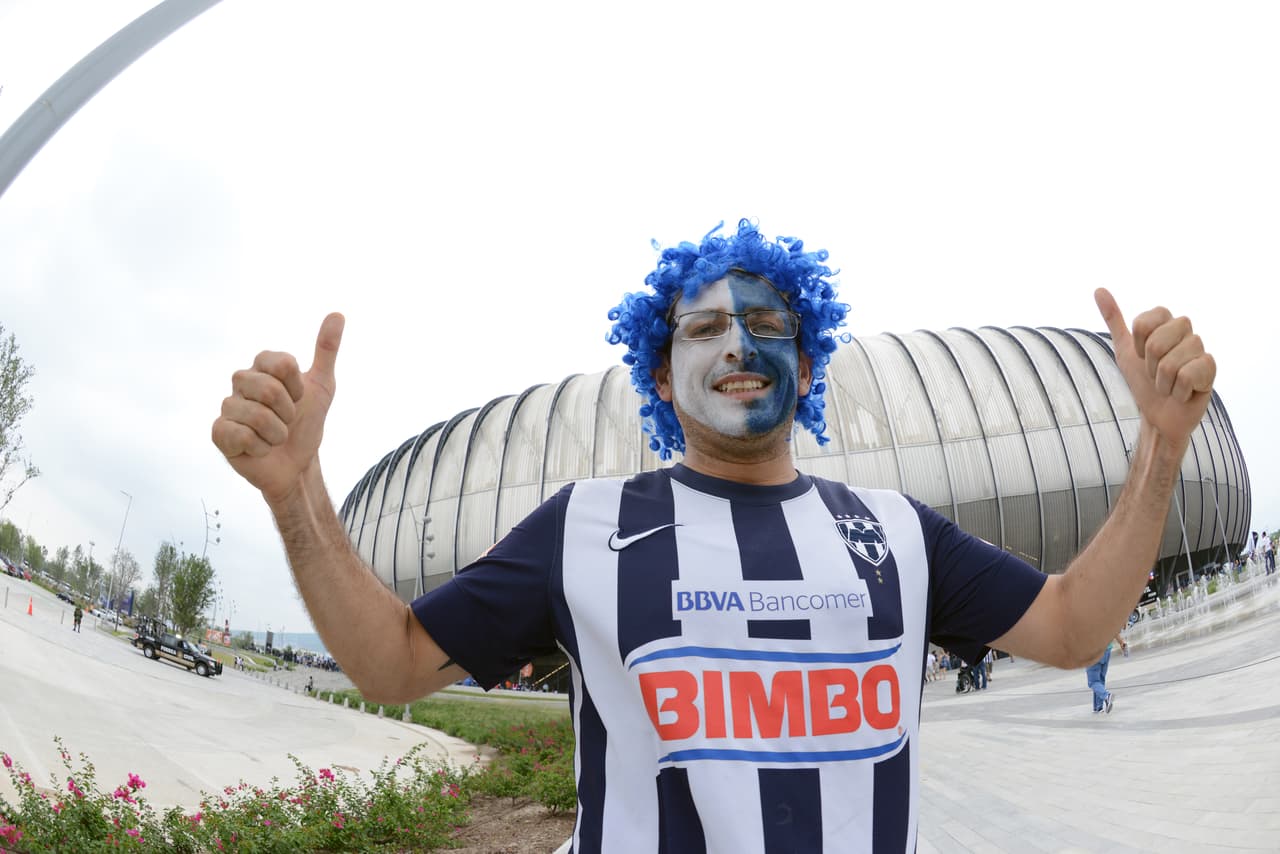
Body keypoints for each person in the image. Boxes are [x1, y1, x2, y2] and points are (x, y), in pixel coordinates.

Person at [212, 219, 1216, 852]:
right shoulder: (583, 528)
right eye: (701, 330)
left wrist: (1161, 447)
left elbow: (1073, 627)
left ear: (806, 363)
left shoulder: (893, 535)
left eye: (768, 325)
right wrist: (298, 496)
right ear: (656, 374)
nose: (738, 343)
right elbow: (389, 665)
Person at [1086, 632, 1127, 713]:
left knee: (1093, 682)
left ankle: (1107, 696)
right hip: (1106, 650)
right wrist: (1121, 642)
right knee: (1100, 680)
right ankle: (1098, 707)